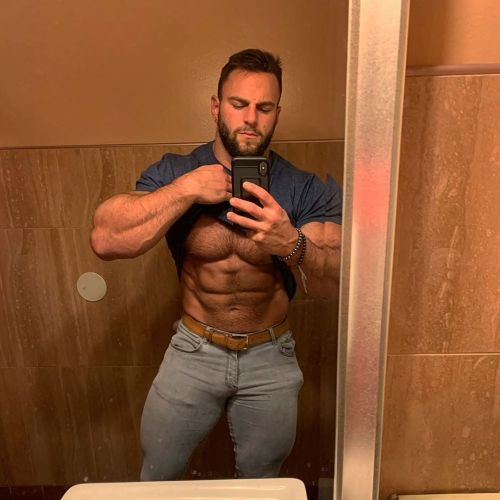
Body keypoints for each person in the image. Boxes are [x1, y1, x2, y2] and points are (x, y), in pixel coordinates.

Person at [90, 48, 342, 480]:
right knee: (158, 474)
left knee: (261, 481)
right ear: (216, 106)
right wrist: (186, 189)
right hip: (194, 350)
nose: (251, 118)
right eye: (238, 104)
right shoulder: (177, 171)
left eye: (264, 107)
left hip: (270, 354)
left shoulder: (302, 187)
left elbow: (339, 283)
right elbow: (106, 238)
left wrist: (291, 242)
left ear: (277, 114)